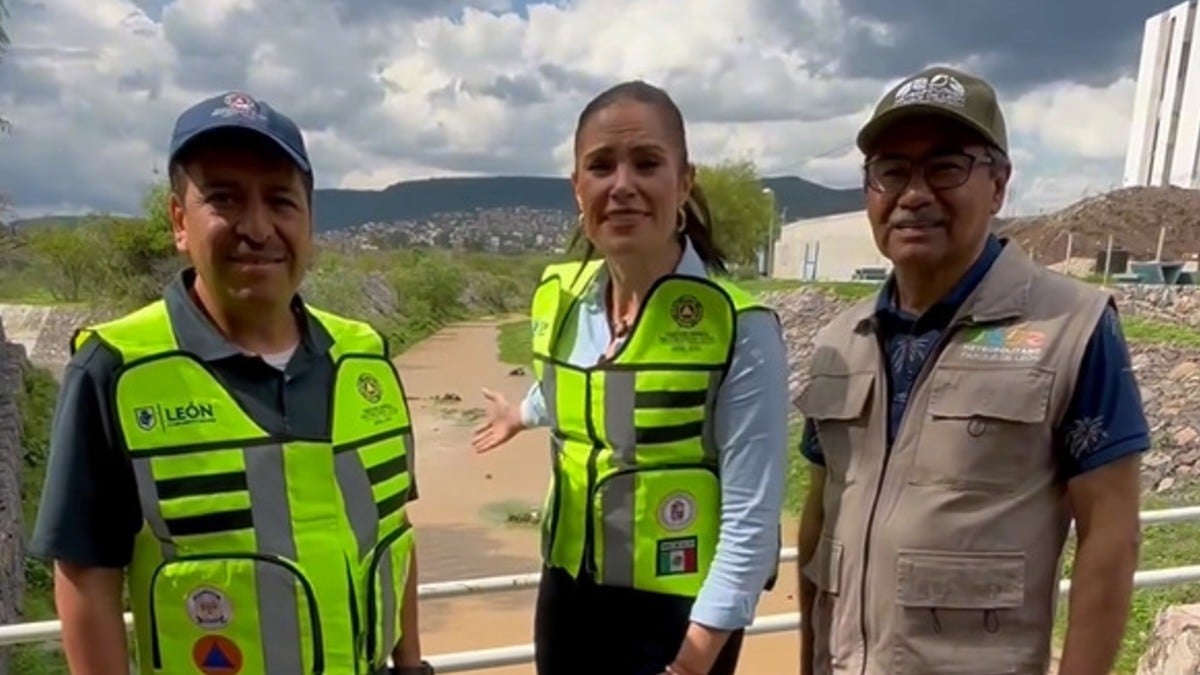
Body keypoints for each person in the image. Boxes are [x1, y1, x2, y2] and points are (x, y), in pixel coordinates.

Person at [29, 91, 433, 675]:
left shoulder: (363, 358)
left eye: (280, 201)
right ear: (178, 222)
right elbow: (86, 574)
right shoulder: (116, 369)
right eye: (224, 199)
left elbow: (395, 535)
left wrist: (413, 661)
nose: (257, 227)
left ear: (310, 220)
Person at [794, 65, 1147, 675]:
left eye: (945, 167)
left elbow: (1111, 540)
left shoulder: (1074, 327)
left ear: (999, 184)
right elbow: (819, 522)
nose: (914, 194)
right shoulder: (840, 341)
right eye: (891, 170)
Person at [470, 80, 790, 675]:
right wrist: (523, 413)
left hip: (679, 618)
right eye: (600, 166)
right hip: (568, 597)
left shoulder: (741, 328)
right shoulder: (564, 304)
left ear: (684, 182)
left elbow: (752, 517)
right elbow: (586, 388)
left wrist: (692, 663)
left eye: (646, 163)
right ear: (577, 188)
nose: (622, 186)